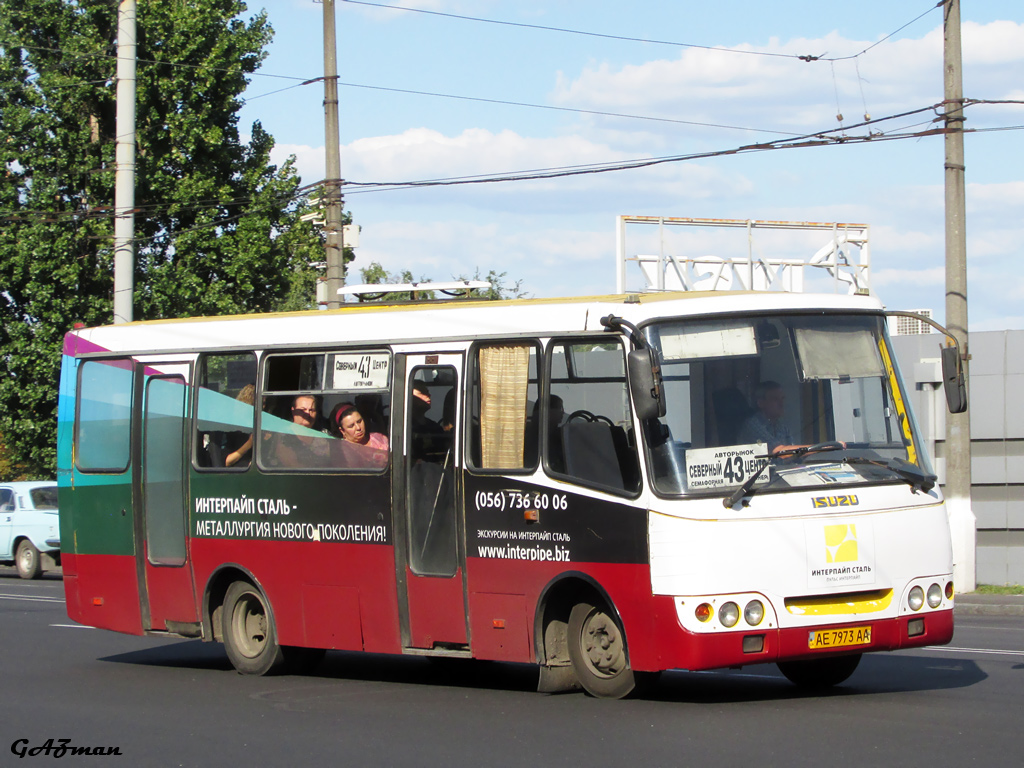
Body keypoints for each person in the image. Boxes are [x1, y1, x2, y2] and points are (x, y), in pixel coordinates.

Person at [738, 381, 798, 452]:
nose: (781, 403)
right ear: (760, 403)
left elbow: (795, 454)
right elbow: (778, 451)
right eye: (775, 399)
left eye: (782, 398)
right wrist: (812, 449)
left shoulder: (782, 427)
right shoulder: (752, 425)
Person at [275, 394, 331, 468]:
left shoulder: (324, 437)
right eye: (302, 410)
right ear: (293, 410)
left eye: (311, 410)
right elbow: (290, 464)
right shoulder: (282, 435)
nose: (307, 413)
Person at [224, 384, 256, 468]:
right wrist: (250, 443)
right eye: (262, 404)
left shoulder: (263, 426)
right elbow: (227, 461)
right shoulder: (235, 430)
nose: (264, 407)